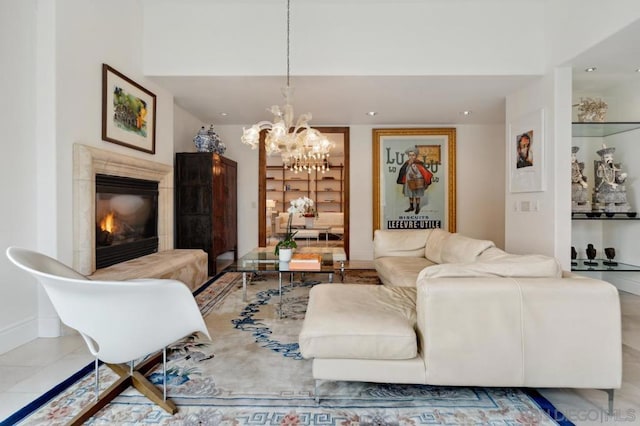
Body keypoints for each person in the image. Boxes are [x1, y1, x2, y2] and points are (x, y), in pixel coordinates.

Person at [396, 146, 433, 214]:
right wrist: (408, 165)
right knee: (410, 194)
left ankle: (418, 207)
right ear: (408, 156)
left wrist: (416, 175)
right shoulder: (407, 163)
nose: (411, 157)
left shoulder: (419, 163)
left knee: (417, 194)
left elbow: (423, 172)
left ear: (416, 155)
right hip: (408, 181)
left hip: (418, 181)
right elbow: (403, 171)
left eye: (413, 155)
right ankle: (411, 207)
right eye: (410, 155)